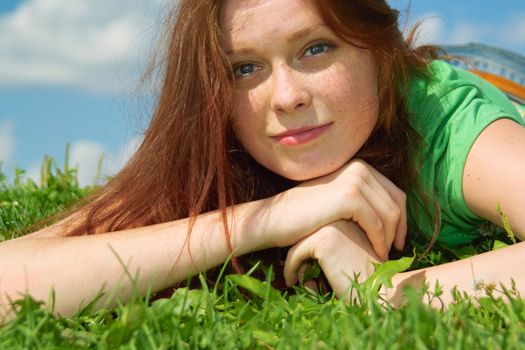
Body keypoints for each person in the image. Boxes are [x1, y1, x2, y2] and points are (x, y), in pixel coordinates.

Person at [2, 0, 525, 322]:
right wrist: (264, 220)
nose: (285, 97)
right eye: (245, 67)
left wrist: (391, 293)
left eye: (316, 49)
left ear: (377, 51)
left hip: (497, 78)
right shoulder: (220, 134)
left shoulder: (451, 127)